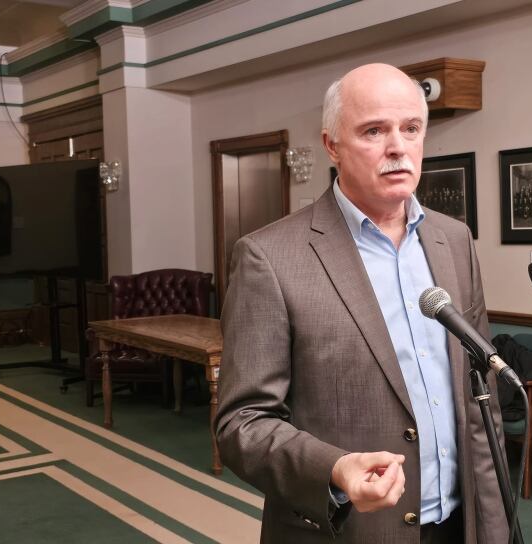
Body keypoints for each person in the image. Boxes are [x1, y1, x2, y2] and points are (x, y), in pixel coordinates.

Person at [215, 63, 509, 543]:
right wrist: (334, 469)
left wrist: (494, 526)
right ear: (332, 145)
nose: (397, 146)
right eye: (374, 130)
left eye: (411, 128)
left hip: (459, 526)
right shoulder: (269, 257)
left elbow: (480, 401)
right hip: (347, 530)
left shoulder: (453, 240)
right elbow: (241, 424)